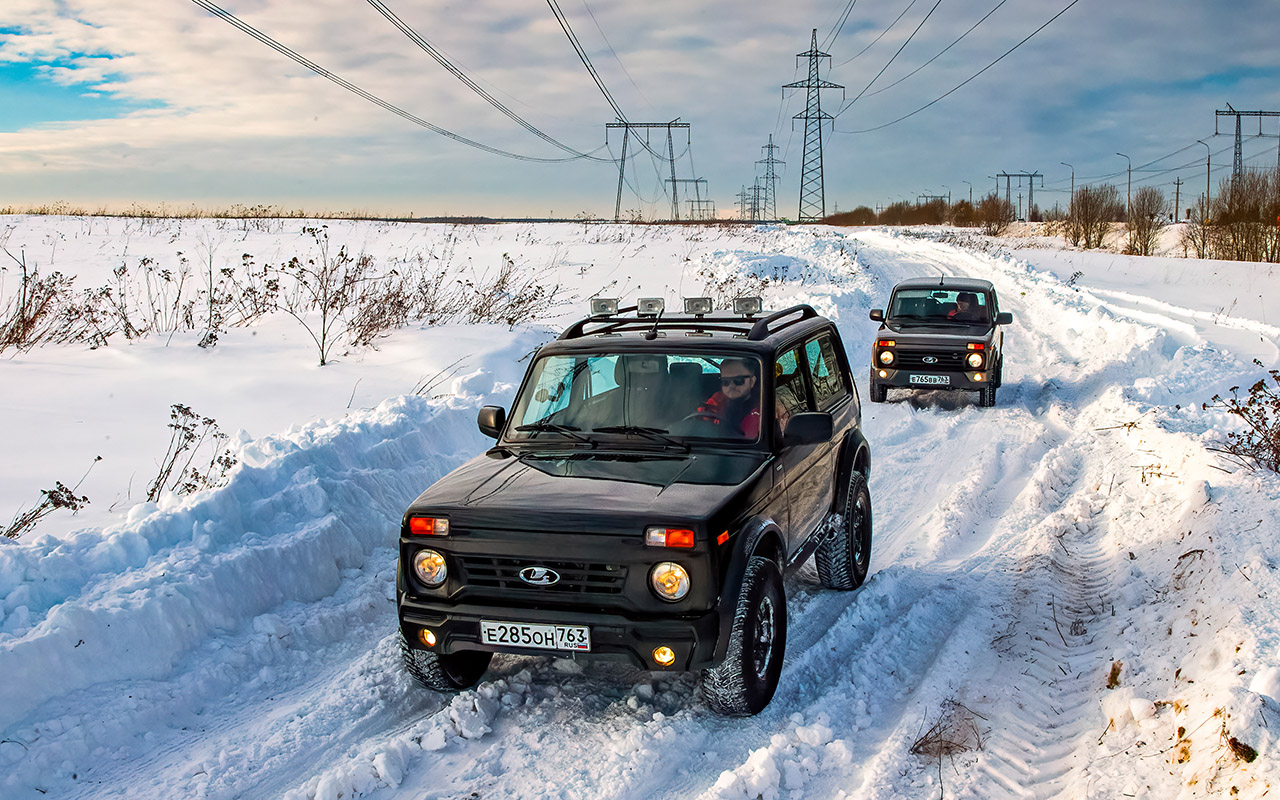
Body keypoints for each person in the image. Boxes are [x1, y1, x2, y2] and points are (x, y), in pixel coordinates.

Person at [698, 358, 761, 437]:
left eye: (738, 380)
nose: (731, 386)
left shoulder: (763, 405)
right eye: (726, 382)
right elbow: (704, 420)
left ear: (752, 381)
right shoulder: (718, 399)